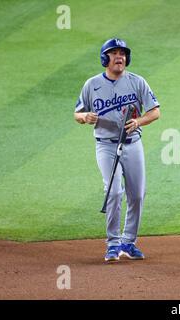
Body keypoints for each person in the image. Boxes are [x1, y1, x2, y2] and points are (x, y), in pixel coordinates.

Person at [74, 38, 160, 262]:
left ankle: (128, 242)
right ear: (105, 58)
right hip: (106, 145)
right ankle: (112, 244)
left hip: (133, 144)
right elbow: (77, 113)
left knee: (137, 195)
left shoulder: (137, 82)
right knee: (113, 192)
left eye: (122, 53)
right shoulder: (92, 85)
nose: (119, 57)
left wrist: (139, 122)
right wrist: (85, 117)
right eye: (114, 53)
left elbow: (155, 111)